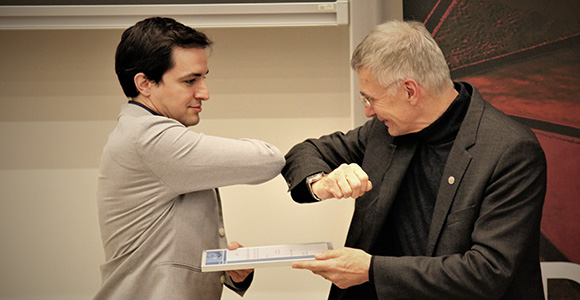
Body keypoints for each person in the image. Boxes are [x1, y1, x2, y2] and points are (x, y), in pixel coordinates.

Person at [282, 20, 547, 300]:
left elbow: (486, 272)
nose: (368, 112)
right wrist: (320, 182)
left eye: (371, 99)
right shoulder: (386, 131)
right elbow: (304, 153)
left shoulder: (511, 151)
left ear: (410, 91)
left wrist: (371, 270)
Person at [95, 17, 285, 299]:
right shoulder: (149, 138)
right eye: (190, 80)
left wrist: (230, 273)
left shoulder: (142, 135)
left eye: (204, 77)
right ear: (145, 83)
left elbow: (168, 253)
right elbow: (269, 160)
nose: (204, 93)